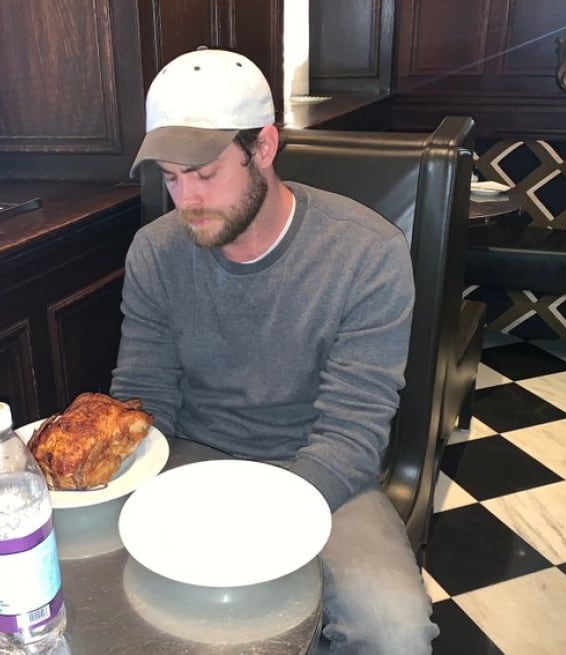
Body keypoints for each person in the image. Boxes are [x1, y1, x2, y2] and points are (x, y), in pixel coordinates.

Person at [111, 47, 438, 654]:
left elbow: (352, 430)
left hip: (323, 469)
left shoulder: (367, 253)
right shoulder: (154, 252)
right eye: (171, 178)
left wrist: (258, 521)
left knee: (393, 632)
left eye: (205, 174)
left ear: (263, 146)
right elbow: (144, 399)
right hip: (188, 463)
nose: (186, 199)